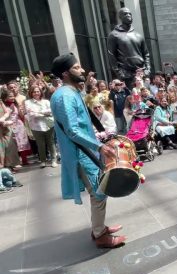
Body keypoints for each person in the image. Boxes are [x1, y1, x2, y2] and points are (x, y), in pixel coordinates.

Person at [50, 53, 126, 248]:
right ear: (65, 73)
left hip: (86, 151)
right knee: (99, 192)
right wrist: (99, 146)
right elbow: (72, 131)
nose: (82, 70)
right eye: (77, 67)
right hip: (81, 153)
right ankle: (100, 235)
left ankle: (99, 227)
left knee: (100, 191)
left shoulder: (71, 92)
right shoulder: (65, 96)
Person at [107, 7, 150, 88]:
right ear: (120, 17)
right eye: (125, 14)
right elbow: (111, 56)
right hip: (126, 74)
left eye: (129, 13)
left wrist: (147, 70)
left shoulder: (138, 35)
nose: (128, 15)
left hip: (141, 73)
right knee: (133, 98)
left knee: (145, 97)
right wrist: (120, 74)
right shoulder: (114, 35)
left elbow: (146, 54)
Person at [24, 85, 57, 168]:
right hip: (36, 126)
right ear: (31, 93)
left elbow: (50, 111)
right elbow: (31, 114)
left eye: (37, 91)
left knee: (51, 143)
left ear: (40, 92)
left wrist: (38, 112)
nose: (36, 93)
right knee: (40, 144)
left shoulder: (46, 101)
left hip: (49, 125)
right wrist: (44, 113)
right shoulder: (28, 102)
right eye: (34, 92)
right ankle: (43, 160)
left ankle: (54, 159)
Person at [3, 90, 31, 166]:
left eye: (13, 96)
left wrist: (21, 111)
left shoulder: (15, 104)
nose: (12, 97)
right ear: (5, 98)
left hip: (19, 125)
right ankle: (14, 162)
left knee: (22, 142)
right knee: (12, 144)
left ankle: (24, 159)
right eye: (10, 96)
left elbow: (21, 115)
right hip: (9, 125)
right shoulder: (4, 106)